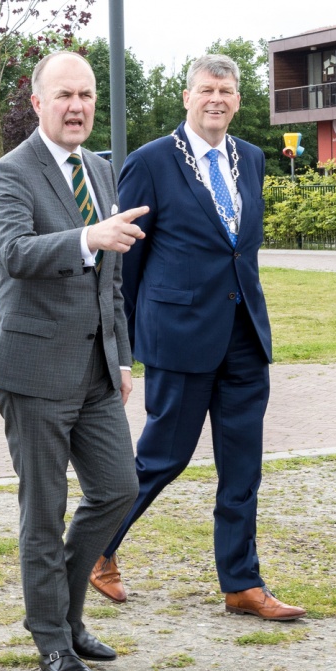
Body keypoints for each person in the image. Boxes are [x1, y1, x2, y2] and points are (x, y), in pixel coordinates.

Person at [88, 54, 305, 622]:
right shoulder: (151, 162)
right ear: (187, 97)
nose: (216, 99)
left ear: (237, 100)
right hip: (179, 338)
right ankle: (95, 550)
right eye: (207, 89)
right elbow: (125, 265)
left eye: (226, 91)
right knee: (162, 459)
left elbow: (239, 248)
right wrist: (122, 348)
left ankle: (242, 583)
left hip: (244, 336)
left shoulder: (251, 158)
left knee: (243, 467)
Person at [0, 50, 149, 671]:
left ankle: (68, 615)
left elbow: (113, 280)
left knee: (118, 489)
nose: (77, 107)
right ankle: (51, 640)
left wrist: (121, 356)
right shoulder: (11, 171)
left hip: (97, 369)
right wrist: (86, 238)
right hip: (33, 368)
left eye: (86, 95)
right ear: (38, 102)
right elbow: (14, 253)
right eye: (64, 95)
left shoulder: (100, 169)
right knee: (44, 510)